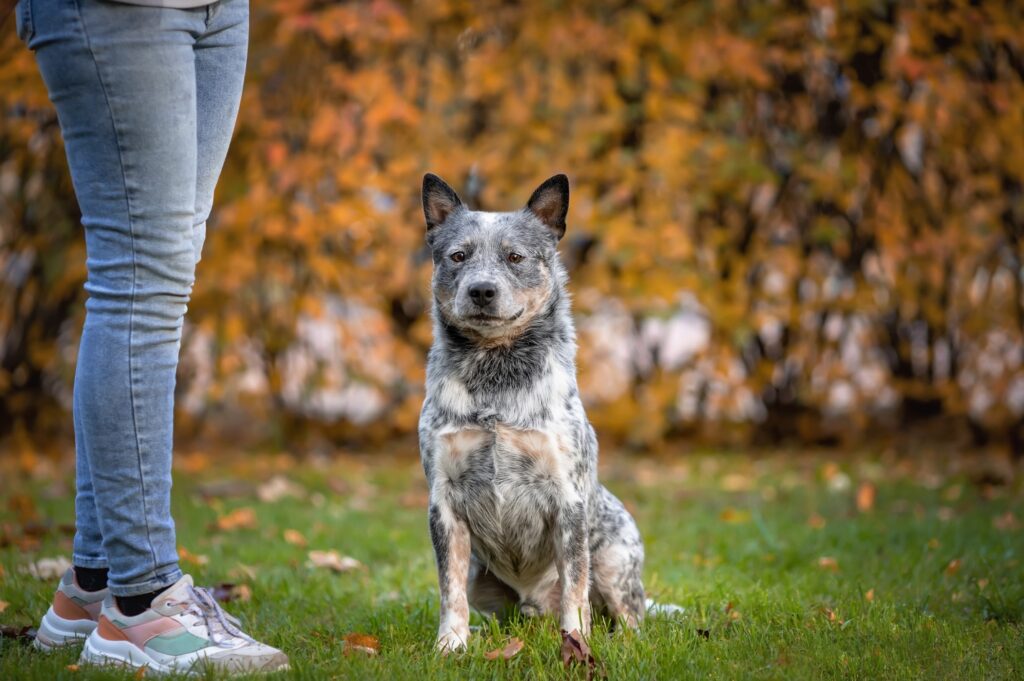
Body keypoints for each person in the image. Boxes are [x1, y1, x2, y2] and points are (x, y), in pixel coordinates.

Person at [11, 0, 288, 673]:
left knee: (159, 274)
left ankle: (95, 582)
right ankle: (144, 600)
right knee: (140, 279)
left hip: (218, 10)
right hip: (118, 11)